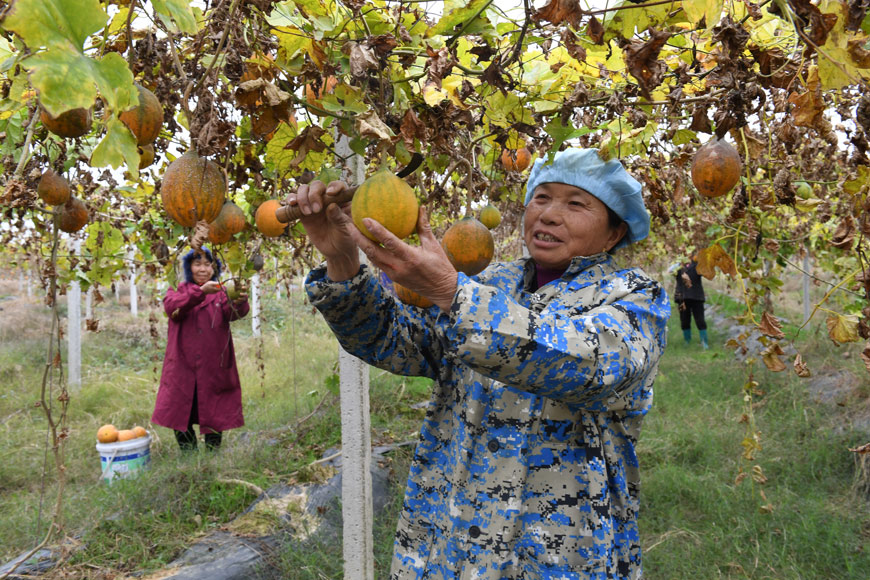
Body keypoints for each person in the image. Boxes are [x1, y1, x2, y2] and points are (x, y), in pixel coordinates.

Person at [291, 148, 670, 579]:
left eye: (576, 203)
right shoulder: (491, 282)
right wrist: (342, 261)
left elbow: (589, 366)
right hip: (452, 537)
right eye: (541, 197)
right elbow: (397, 342)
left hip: (560, 551)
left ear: (614, 233)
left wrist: (452, 294)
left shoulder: (635, 298)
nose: (549, 214)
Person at [152, 248, 249, 451]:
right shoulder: (178, 289)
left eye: (208, 265)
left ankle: (213, 453)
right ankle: (189, 452)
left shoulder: (222, 292)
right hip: (182, 362)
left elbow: (233, 314)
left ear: (215, 269)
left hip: (213, 362)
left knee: (214, 406)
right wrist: (201, 292)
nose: (203, 269)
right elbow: (172, 308)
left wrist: (240, 301)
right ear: (189, 267)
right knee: (180, 405)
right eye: (197, 264)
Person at [673, 258, 708, 349]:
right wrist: (678, 264)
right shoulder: (677, 266)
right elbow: (670, 271)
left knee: (700, 320)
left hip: (696, 296)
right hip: (682, 297)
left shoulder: (697, 265)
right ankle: (687, 341)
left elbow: (705, 272)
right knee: (684, 320)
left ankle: (704, 342)